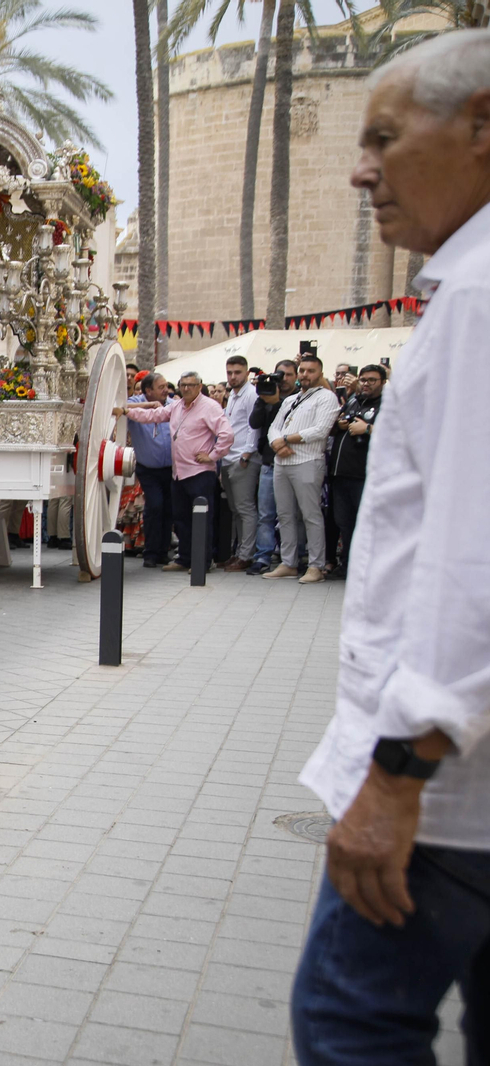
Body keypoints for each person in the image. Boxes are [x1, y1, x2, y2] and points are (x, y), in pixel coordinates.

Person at [292, 30, 490, 1063]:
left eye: (383, 135)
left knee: (347, 1022)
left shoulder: (481, 298)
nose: (360, 168)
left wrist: (397, 772)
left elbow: (473, 566)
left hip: (449, 798)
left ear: (481, 124)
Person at [119, 371, 234, 573]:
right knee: (181, 519)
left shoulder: (210, 407)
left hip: (199, 473)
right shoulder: (177, 406)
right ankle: (185, 559)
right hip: (179, 473)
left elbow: (226, 434)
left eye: (191, 385)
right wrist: (126, 411)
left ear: (199, 386)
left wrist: (213, 455)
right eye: (183, 385)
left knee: (201, 519)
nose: (187, 388)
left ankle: (203, 561)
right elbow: (153, 415)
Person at [263, 353, 340, 583]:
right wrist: (277, 442)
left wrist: (285, 439)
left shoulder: (327, 398)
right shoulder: (290, 399)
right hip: (282, 462)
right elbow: (273, 427)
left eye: (311, 371)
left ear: (320, 374)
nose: (305, 375)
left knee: (311, 516)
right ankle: (289, 563)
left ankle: (316, 565)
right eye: (303, 370)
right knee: (284, 515)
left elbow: (320, 430)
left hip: (307, 462)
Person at [324, 364, 386, 579]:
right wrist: (339, 424)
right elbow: (332, 427)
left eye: (372, 380)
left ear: (383, 383)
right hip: (340, 474)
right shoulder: (352, 401)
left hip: (365, 475)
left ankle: (367, 569)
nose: (366, 383)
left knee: (365, 523)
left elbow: (394, 434)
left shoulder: (386, 405)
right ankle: (347, 565)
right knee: (344, 522)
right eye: (364, 379)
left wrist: (368, 428)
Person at [248, 359, 300, 574]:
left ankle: (297, 556)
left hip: (295, 461)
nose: (284, 379)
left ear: (296, 377)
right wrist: (264, 399)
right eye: (280, 374)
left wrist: (278, 401)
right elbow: (254, 422)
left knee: (294, 515)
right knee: (265, 514)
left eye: (288, 375)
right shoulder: (266, 392)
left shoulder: (300, 397)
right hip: (269, 462)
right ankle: (263, 556)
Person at [126, 373, 176, 568]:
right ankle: (151, 552)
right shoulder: (136, 402)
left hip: (171, 468)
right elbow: (121, 407)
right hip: (148, 469)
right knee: (155, 506)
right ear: (148, 391)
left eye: (166, 386)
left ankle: (163, 552)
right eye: (161, 387)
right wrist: (148, 407)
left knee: (168, 508)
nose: (166, 390)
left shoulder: (172, 404)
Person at [219, 355, 260, 572]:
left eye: (237, 372)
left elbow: (254, 426)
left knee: (245, 509)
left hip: (242, 458)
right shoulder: (233, 395)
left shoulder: (251, 394)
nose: (233, 376)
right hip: (229, 457)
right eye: (230, 373)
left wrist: (247, 453)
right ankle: (238, 553)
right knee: (236, 509)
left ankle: (246, 555)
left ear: (246, 372)